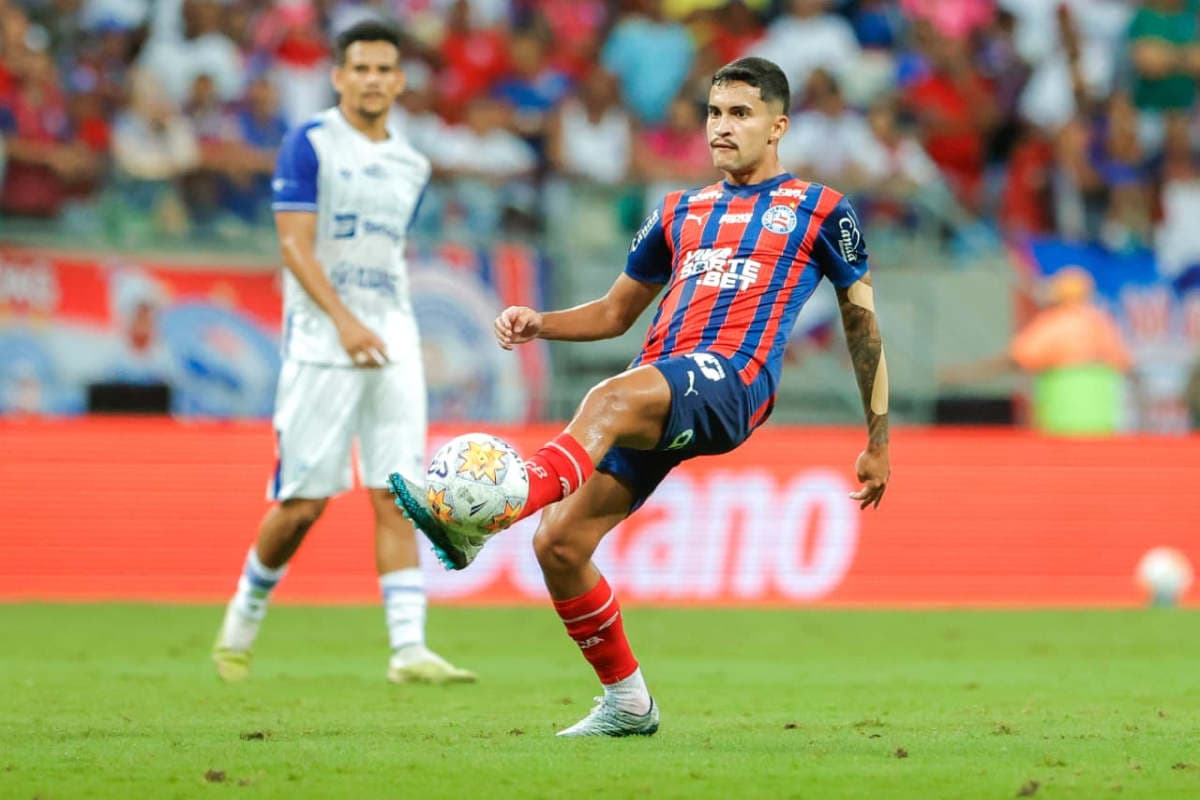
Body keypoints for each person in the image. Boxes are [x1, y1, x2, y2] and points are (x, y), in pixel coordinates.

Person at [391, 57, 890, 736]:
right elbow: (614, 312)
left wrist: (877, 441)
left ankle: (482, 516)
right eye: (714, 113)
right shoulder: (679, 210)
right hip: (662, 380)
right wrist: (542, 321)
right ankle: (628, 702)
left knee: (607, 398)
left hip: (733, 381)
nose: (722, 127)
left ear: (779, 125)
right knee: (561, 544)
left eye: (740, 114)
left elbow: (861, 322)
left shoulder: (821, 208)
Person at [211, 20, 475, 686]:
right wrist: (345, 322)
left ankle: (408, 650)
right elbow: (295, 246)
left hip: (394, 338)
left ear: (400, 80)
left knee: (398, 492)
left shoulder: (412, 163)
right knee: (303, 504)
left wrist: (376, 326)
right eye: (360, 68)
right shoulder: (311, 144)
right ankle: (240, 623)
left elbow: (385, 255)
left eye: (385, 69)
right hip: (324, 344)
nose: (373, 79)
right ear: (339, 76)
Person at [939, 266, 1132, 435]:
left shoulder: (1056, 323)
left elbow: (1014, 360)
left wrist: (961, 375)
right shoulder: (1101, 323)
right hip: (1101, 423)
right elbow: (1123, 362)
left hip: (1063, 420)